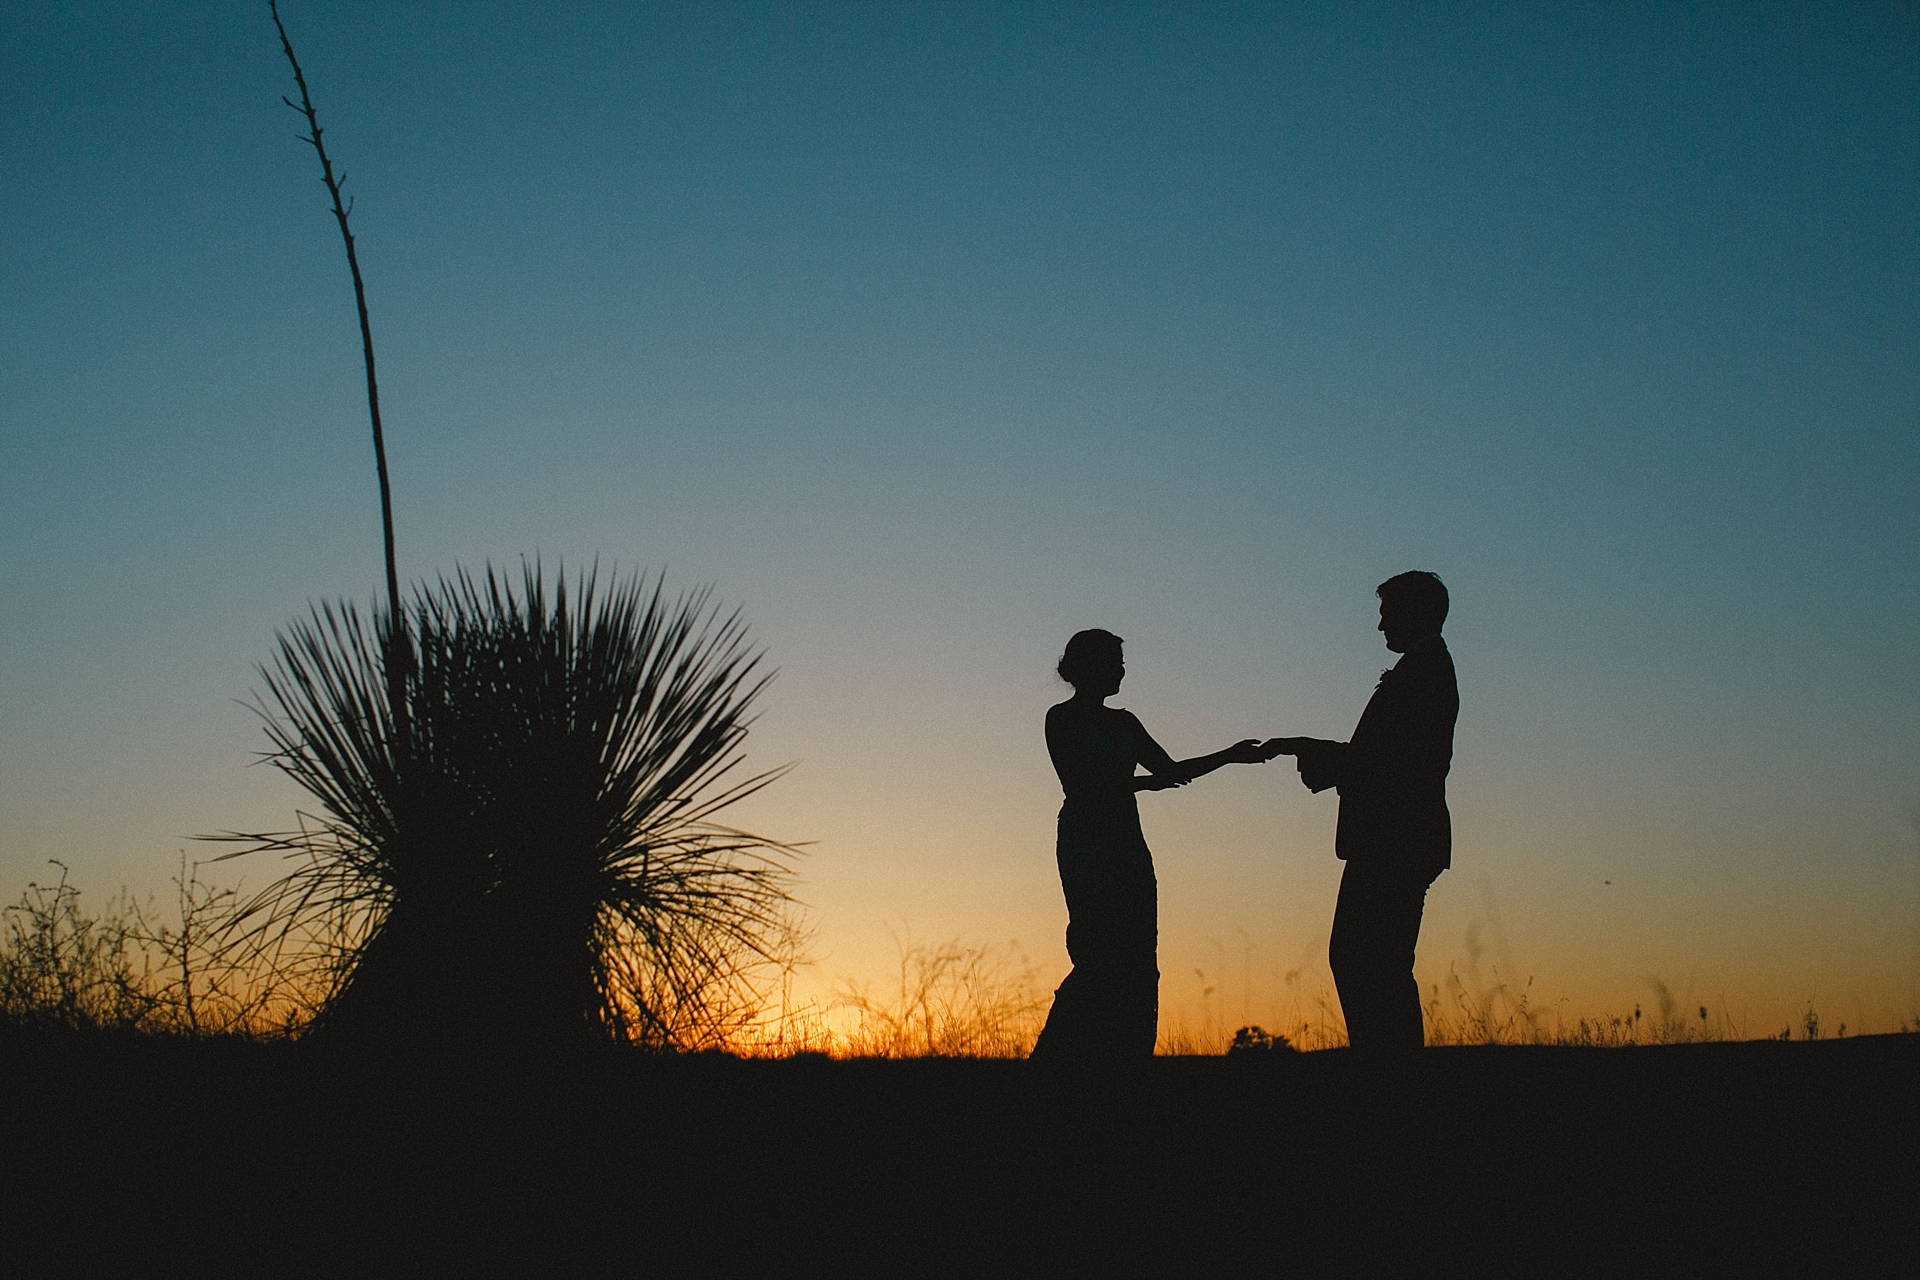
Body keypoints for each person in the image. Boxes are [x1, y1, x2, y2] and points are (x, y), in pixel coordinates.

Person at [1031, 628, 1270, 1060]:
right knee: (1097, 950)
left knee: (1139, 950)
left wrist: (1228, 756)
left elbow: (1170, 770)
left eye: (1122, 663)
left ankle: (1130, 1051)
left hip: (1127, 842)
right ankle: (1059, 1054)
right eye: (1113, 662)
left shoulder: (1126, 722)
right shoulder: (1060, 718)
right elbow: (1082, 785)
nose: (1122, 670)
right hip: (1086, 840)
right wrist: (1141, 784)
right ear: (1087, 668)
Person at [1264, 572, 1458, 1052]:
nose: (1379, 628)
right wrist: (1308, 749)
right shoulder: (1425, 667)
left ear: (1413, 613)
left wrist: (1310, 751)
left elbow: (1389, 762)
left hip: (1394, 839)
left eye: (1386, 615)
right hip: (1400, 838)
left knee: (1365, 961)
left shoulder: (1424, 670)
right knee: (1373, 961)